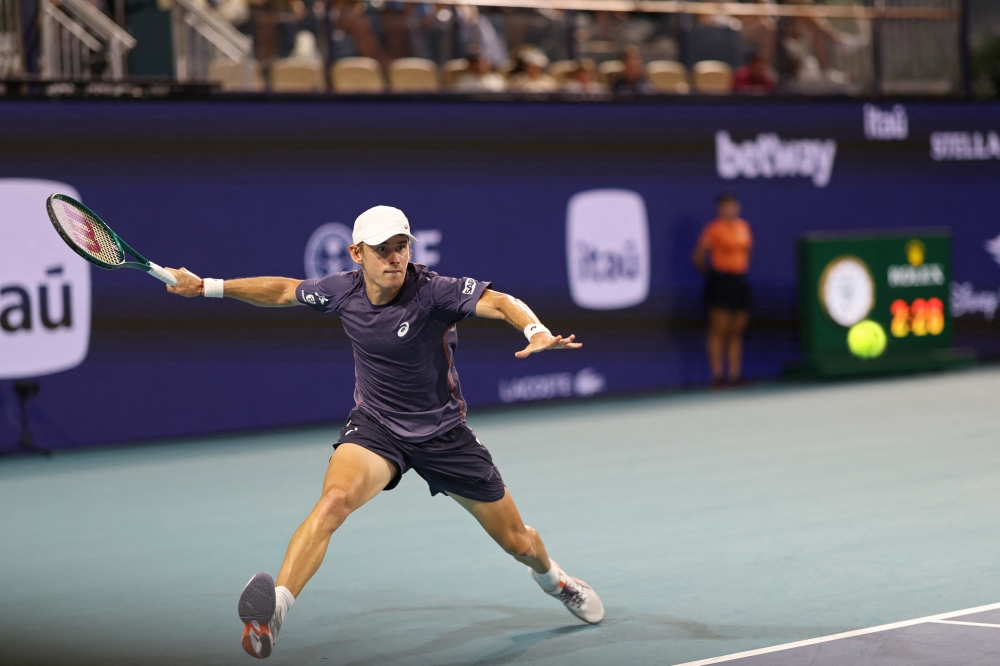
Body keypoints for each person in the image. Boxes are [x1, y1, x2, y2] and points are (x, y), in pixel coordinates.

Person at [163, 206, 605, 659]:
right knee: (334, 502)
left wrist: (535, 329)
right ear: (357, 254)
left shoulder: (435, 291)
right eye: (382, 250)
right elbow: (283, 291)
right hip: (378, 429)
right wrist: (204, 287)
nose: (395, 257)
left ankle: (556, 580)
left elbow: (500, 301)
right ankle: (275, 610)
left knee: (518, 542)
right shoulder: (342, 291)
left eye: (401, 246)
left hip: (444, 436)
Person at [691, 193, 753, 387]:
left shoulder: (744, 227)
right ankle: (717, 376)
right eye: (726, 206)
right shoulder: (713, 230)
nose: (730, 209)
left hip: (739, 280)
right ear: (720, 209)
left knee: (736, 329)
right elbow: (698, 257)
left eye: (733, 205)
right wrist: (714, 275)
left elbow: (747, 253)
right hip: (720, 281)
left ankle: (734, 374)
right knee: (719, 330)